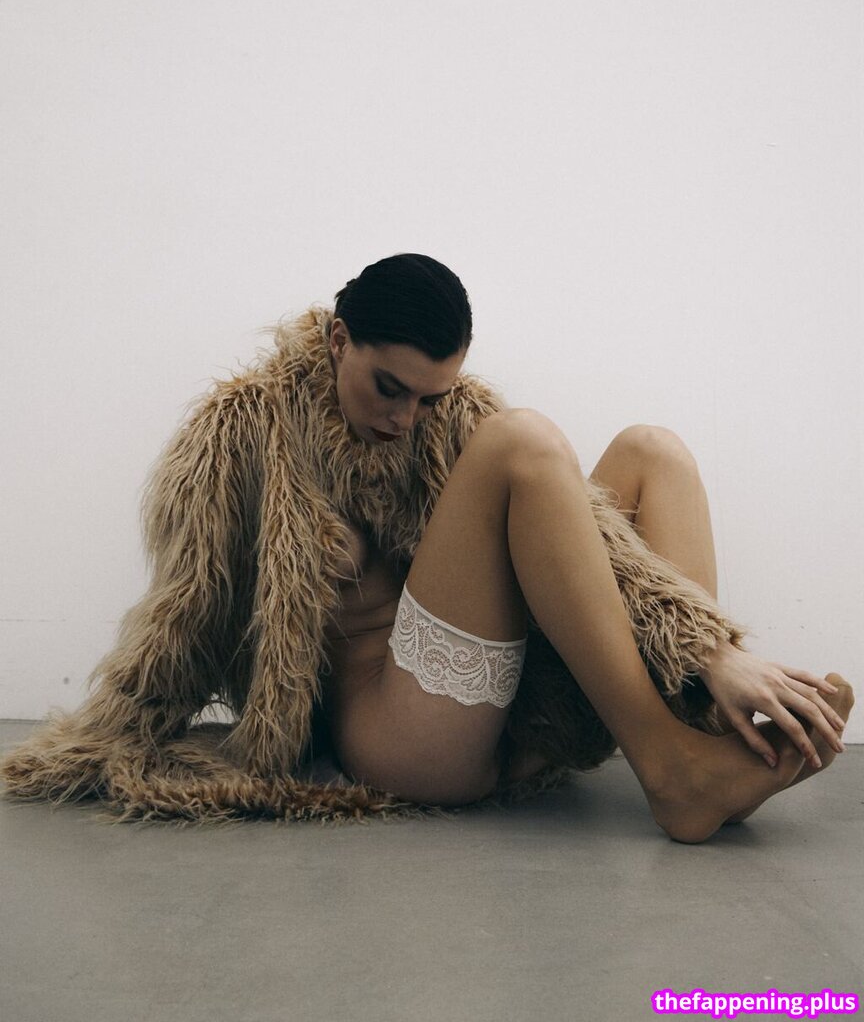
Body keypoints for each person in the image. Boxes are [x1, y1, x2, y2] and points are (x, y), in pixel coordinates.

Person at [1, 254, 853, 840]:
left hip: (511, 703)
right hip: (399, 731)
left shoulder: (455, 419)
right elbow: (184, 616)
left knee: (652, 452)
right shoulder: (243, 433)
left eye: (432, 398)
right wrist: (92, 744)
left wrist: (708, 650)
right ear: (340, 339)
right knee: (524, 440)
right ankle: (671, 770)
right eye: (390, 387)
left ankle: (707, 741)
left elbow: (589, 534)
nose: (406, 417)